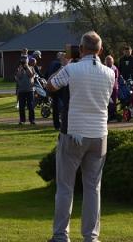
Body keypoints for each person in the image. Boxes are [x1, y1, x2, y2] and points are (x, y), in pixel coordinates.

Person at [46, 31, 115, 242]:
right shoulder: (110, 73)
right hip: (99, 134)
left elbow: (51, 85)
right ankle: (91, 237)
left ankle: (60, 236)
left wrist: (67, 63)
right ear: (100, 50)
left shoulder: (72, 69)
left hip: (74, 132)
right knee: (93, 188)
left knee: (65, 187)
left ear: (81, 48)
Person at [15, 58, 36, 125]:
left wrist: (27, 67)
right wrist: (21, 69)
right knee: (21, 106)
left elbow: (31, 75)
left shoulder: (31, 68)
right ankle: (22, 120)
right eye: (23, 62)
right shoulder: (19, 69)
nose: (24, 63)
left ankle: (32, 120)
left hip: (30, 90)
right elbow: (18, 77)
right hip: (21, 90)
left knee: (31, 106)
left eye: (25, 62)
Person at [104, 55, 119, 121]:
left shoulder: (114, 68)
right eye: (107, 60)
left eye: (110, 60)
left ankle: (113, 115)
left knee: (113, 102)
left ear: (112, 61)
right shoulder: (103, 68)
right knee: (107, 102)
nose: (108, 61)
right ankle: (108, 115)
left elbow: (115, 79)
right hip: (105, 88)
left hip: (113, 88)